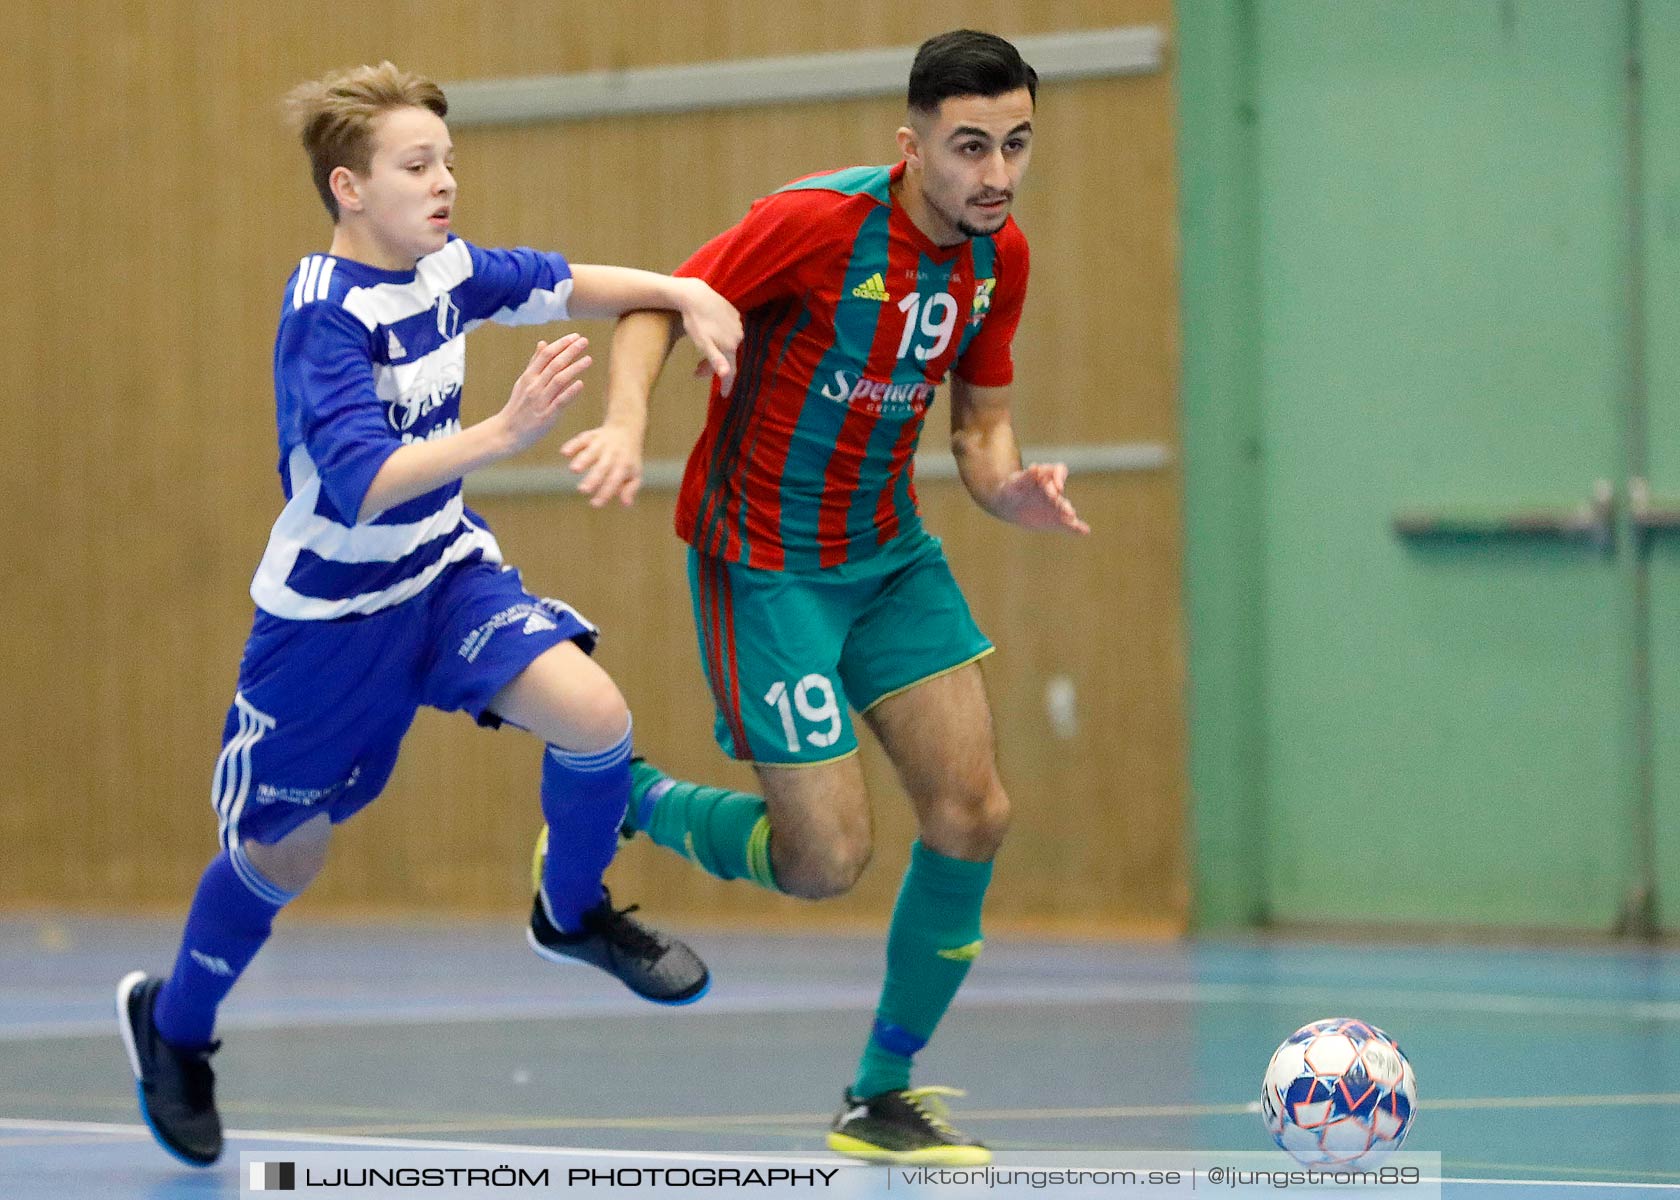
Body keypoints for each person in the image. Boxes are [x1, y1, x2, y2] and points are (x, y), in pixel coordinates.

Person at [115, 61, 743, 1169]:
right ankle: (174, 1031)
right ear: (350, 188)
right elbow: (360, 478)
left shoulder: (447, 270)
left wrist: (681, 289)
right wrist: (502, 436)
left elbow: (565, 281)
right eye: (418, 166)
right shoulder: (324, 314)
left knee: (594, 715)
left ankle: (572, 912)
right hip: (326, 623)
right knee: (282, 854)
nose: (445, 182)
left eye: (448, 161)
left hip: (443, 578)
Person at [543, 29, 1088, 1165]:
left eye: (1017, 144)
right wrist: (631, 420)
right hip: (769, 564)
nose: (996, 173)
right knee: (822, 862)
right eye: (970, 146)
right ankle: (625, 798)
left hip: (888, 557)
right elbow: (658, 304)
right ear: (913, 143)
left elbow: (980, 429)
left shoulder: (1000, 260)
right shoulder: (819, 225)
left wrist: (1011, 493)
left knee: (974, 813)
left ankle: (880, 1092)